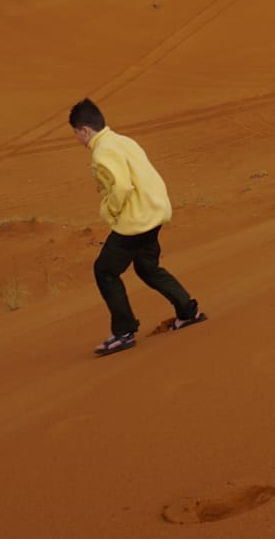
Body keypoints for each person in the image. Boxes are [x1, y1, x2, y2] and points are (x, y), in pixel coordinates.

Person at [70, 98, 204, 355]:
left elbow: (121, 187)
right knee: (147, 268)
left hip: (136, 221)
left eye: (75, 133)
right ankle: (188, 311)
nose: (77, 139)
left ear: (84, 130)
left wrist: (111, 210)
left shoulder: (102, 151)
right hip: (154, 214)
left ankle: (124, 331)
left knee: (104, 271)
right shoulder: (123, 140)